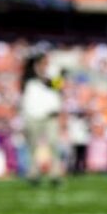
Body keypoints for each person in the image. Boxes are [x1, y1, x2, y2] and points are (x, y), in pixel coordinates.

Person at [19, 46, 65, 186]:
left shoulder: (54, 71)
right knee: (33, 146)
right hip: (33, 115)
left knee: (53, 144)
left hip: (50, 115)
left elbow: (58, 85)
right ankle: (34, 173)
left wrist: (44, 76)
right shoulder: (28, 75)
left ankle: (55, 173)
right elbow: (23, 87)